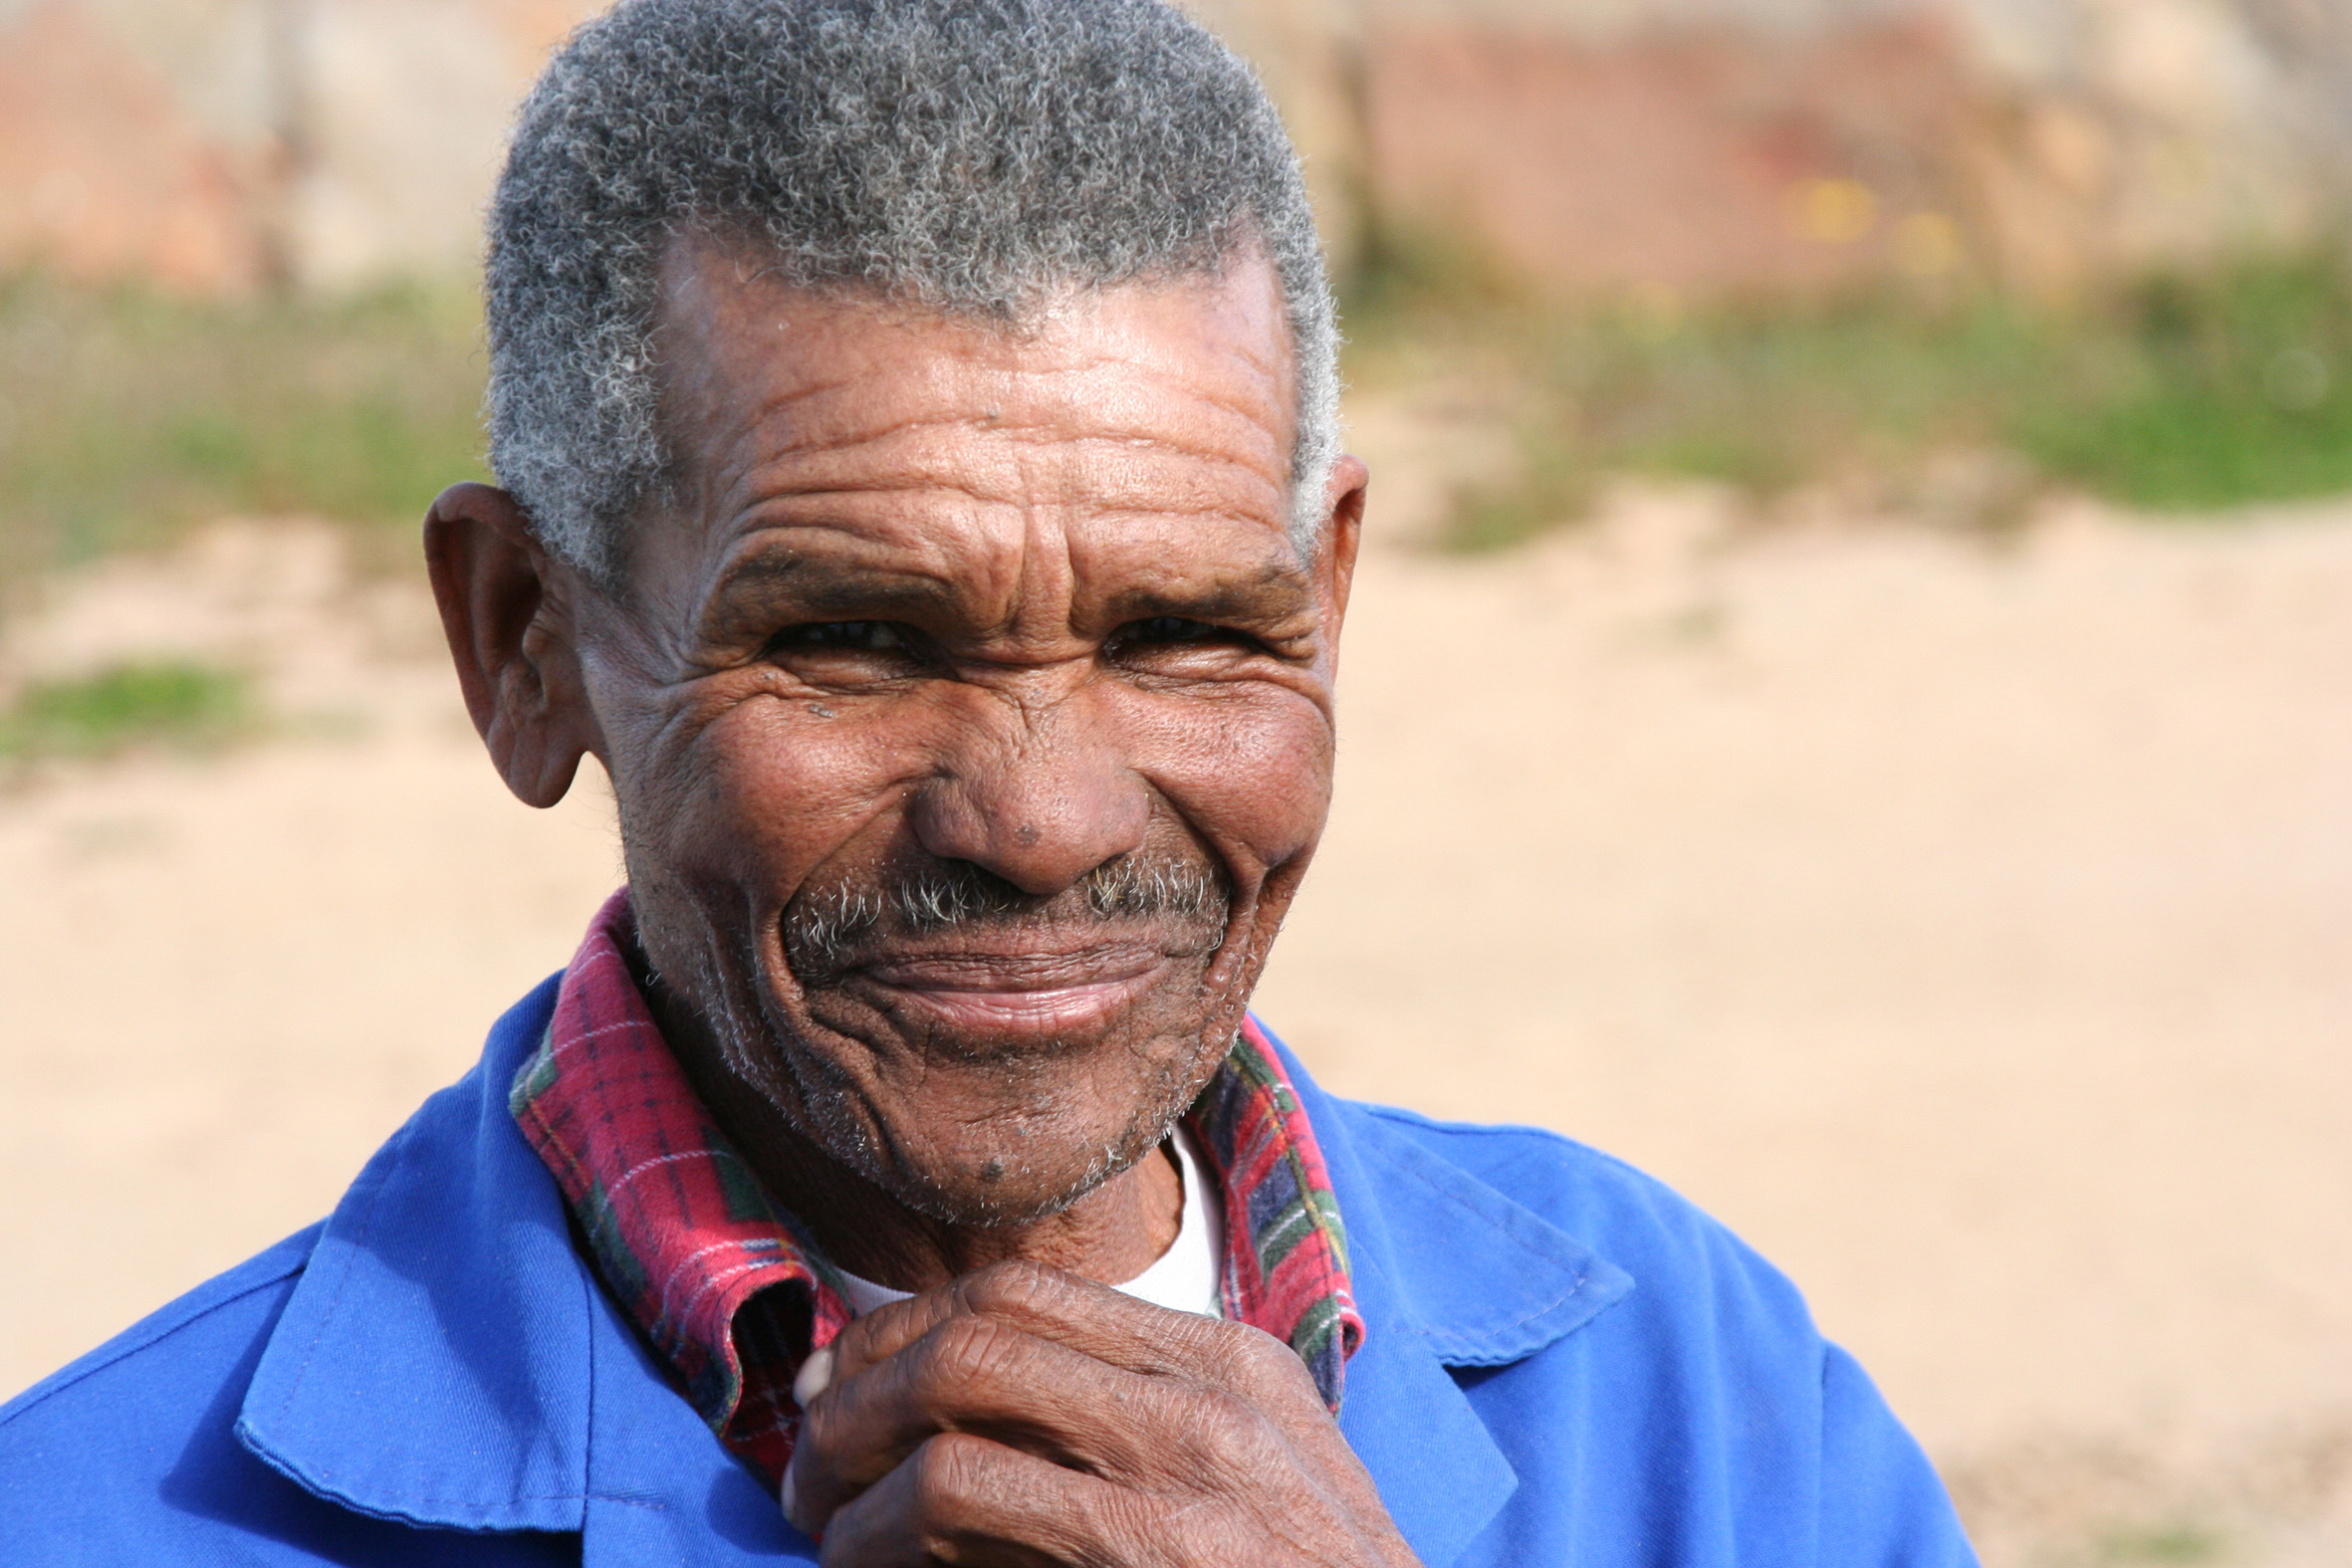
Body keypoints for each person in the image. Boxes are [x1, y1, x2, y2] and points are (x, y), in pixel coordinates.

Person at [0, 1, 1979, 1562]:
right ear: (527, 641)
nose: (1038, 820)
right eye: (856, 642)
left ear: (1328, 598)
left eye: (1182, 633)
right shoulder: (111, 1517)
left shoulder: (1694, 1409)